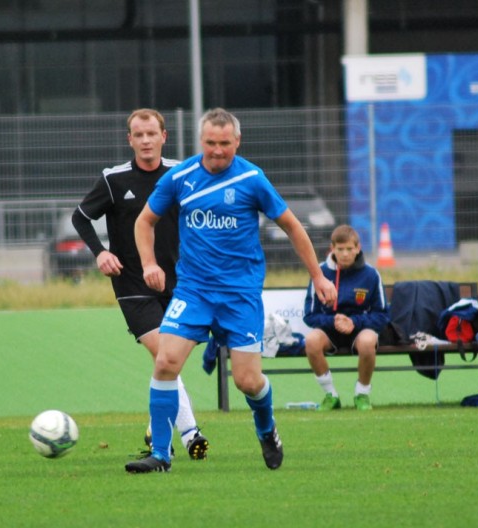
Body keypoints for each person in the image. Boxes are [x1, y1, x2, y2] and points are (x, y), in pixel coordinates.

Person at [126, 108, 337, 473]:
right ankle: (160, 455)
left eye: (225, 143)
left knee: (247, 381)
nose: (218, 150)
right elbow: (145, 221)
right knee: (166, 363)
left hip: (240, 295)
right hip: (193, 291)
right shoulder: (181, 177)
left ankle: (267, 430)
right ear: (200, 141)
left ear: (237, 142)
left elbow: (292, 227)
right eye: (211, 143)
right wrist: (149, 264)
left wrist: (318, 276)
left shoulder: (252, 179)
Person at [71, 109, 209, 458]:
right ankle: (191, 434)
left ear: (164, 136)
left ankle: (156, 425)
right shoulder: (114, 180)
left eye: (151, 134)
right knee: (163, 354)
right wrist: (101, 253)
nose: (145, 140)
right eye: (139, 134)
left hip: (181, 283)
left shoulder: (182, 174)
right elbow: (81, 217)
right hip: (132, 284)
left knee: (169, 363)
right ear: (129, 139)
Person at [303, 225, 388, 411]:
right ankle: (330, 395)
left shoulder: (371, 275)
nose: (345, 254)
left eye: (350, 249)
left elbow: (382, 315)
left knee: (368, 342)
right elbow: (309, 315)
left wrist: (354, 322)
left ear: (358, 248)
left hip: (359, 330)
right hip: (330, 330)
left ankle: (362, 394)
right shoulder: (320, 273)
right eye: (340, 249)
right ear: (332, 249)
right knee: (311, 341)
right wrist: (332, 322)